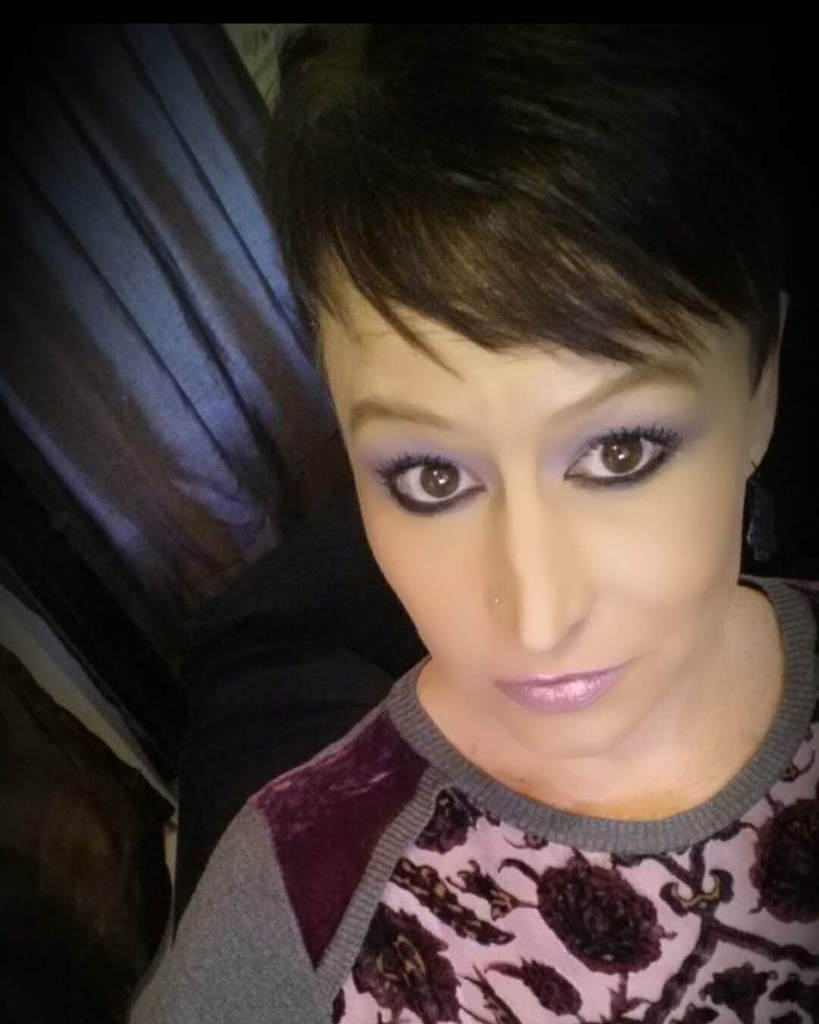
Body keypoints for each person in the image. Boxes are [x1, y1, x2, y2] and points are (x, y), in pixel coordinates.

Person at [129, 24, 819, 1023]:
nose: (537, 618)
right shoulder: (295, 903)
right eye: (432, 475)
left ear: (760, 390)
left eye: (618, 453)